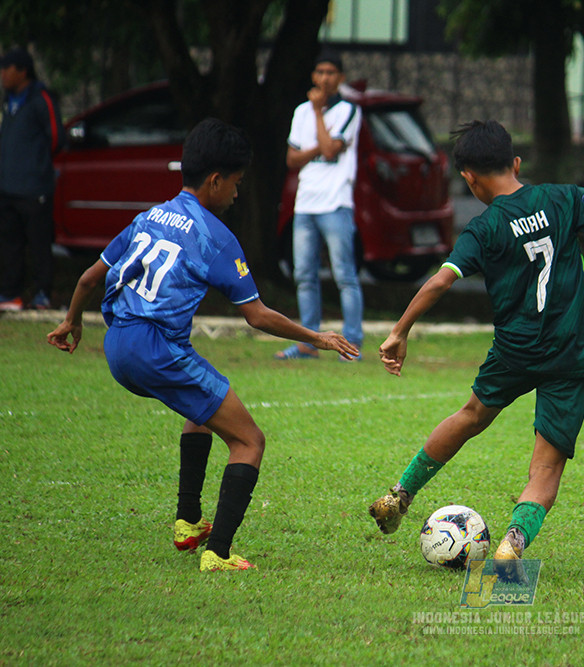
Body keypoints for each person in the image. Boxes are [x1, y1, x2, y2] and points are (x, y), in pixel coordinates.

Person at [368, 120, 584, 579]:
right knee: (546, 465)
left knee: (471, 415)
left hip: (516, 349)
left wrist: (400, 330)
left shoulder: (484, 227)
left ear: (468, 178)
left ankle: (400, 495)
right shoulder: (566, 198)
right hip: (571, 349)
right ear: (515, 163)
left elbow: (439, 280)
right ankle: (512, 546)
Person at [47, 118, 359, 572]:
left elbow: (89, 277)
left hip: (117, 346)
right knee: (249, 441)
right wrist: (318, 337)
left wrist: (72, 320)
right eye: (235, 183)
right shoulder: (216, 237)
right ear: (215, 180)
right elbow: (257, 315)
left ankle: (189, 522)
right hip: (157, 350)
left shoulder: (148, 216)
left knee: (203, 409)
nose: (237, 193)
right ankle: (218, 553)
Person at [275, 50, 364, 361]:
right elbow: (292, 159)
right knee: (304, 274)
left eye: (331, 72)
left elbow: (329, 151)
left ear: (340, 77)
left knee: (344, 275)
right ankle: (307, 342)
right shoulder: (300, 111)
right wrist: (316, 139)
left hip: (336, 202)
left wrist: (317, 114)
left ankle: (351, 344)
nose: (325, 78)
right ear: (313, 76)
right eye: (320, 72)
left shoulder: (348, 111)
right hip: (305, 204)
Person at [0, 47, 66, 311]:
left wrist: (36, 165)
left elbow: (56, 138)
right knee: (9, 243)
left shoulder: (41, 99)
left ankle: (42, 295)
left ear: (22, 71)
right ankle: (11, 294)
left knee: (39, 243)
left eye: (7, 69)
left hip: (35, 187)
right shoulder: (9, 101)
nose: (3, 75)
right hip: (8, 187)